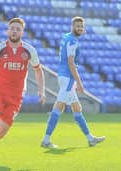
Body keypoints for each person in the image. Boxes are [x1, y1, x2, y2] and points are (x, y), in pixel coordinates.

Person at [0, 17, 46, 165]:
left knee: (0, 134)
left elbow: (39, 70)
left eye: (18, 29)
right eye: (12, 28)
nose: (14, 31)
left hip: (16, 97)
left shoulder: (29, 50)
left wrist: (42, 91)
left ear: (22, 32)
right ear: (8, 31)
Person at [40, 16, 105, 148]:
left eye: (81, 27)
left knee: (77, 108)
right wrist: (79, 83)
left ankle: (90, 138)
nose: (80, 28)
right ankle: (46, 140)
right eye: (77, 26)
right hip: (68, 78)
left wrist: (78, 33)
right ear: (72, 26)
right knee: (59, 107)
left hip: (63, 76)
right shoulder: (73, 41)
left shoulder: (67, 37)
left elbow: (68, 46)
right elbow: (71, 62)